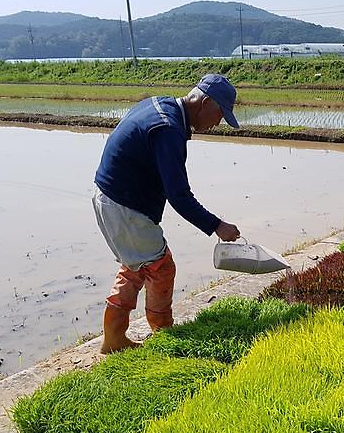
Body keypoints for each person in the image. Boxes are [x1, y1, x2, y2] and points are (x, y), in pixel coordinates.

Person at [92, 73, 242, 354]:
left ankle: (115, 338)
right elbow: (179, 195)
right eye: (220, 114)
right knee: (161, 267)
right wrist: (216, 225)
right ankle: (162, 332)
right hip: (124, 206)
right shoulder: (168, 128)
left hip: (110, 199)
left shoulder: (161, 106)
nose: (218, 123)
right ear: (205, 102)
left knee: (137, 267)